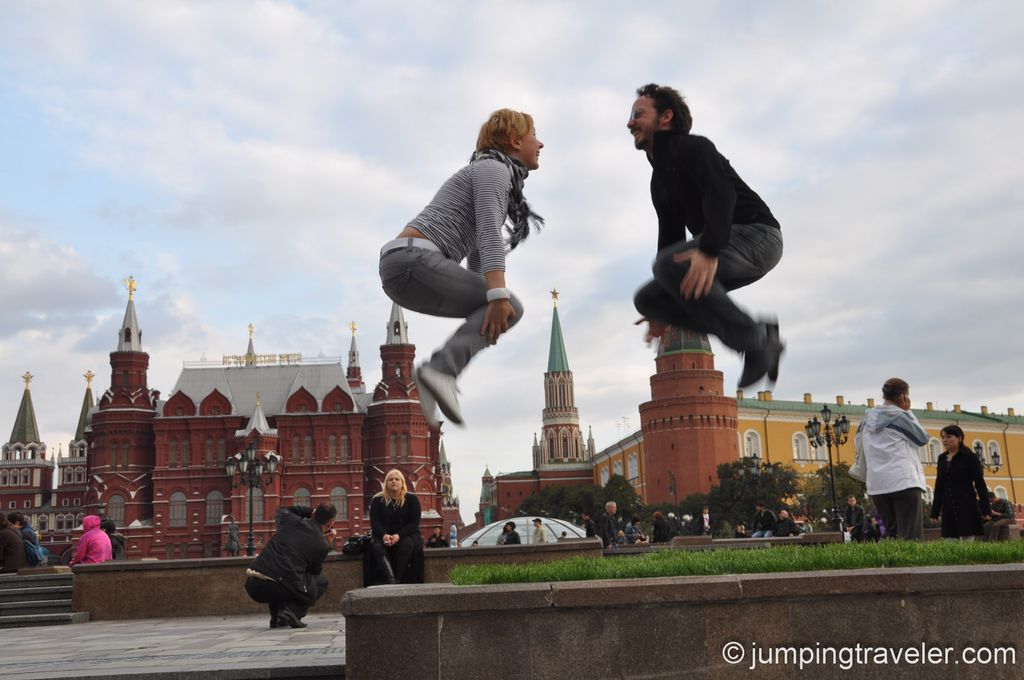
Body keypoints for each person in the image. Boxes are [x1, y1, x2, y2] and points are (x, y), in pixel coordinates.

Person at [379, 109, 544, 429]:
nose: (541, 143)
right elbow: (488, 232)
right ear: (515, 141)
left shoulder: (487, 171)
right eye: (534, 134)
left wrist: (489, 316)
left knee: (503, 308)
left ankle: (436, 376)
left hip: (403, 272)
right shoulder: (494, 169)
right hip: (412, 261)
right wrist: (497, 298)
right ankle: (441, 370)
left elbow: (480, 254)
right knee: (511, 305)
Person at [628, 83, 784, 388]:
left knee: (665, 268)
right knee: (648, 298)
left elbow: (721, 194)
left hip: (758, 237)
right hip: (723, 246)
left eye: (638, 114)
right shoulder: (659, 181)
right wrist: (662, 311)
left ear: (665, 117)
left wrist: (709, 248)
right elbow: (670, 243)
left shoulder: (693, 148)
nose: (630, 122)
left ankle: (754, 343)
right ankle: (761, 335)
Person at [855, 378, 930, 540]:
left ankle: (888, 564)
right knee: (911, 535)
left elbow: (858, 444)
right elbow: (922, 438)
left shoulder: (866, 420)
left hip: (878, 485)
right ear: (902, 396)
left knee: (890, 533)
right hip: (904, 482)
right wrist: (908, 412)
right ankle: (912, 565)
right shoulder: (899, 417)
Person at [244, 503, 337, 629]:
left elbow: (282, 510)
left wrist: (309, 511)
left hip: (252, 585)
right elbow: (314, 572)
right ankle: (292, 612)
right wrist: (326, 544)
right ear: (331, 522)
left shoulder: (290, 521)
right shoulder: (321, 544)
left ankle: (277, 618)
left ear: (314, 513)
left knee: (280, 572)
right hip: (277, 587)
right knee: (320, 582)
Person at [930, 425, 990, 541]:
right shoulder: (942, 458)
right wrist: (935, 512)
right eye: (943, 437)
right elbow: (939, 486)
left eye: (949, 436)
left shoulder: (970, 457)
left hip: (966, 504)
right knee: (949, 542)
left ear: (960, 438)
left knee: (967, 541)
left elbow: (980, 484)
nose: (945, 440)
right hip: (948, 506)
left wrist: (985, 509)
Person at [366, 469, 424, 585]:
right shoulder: (378, 500)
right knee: (377, 548)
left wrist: (398, 535)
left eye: (397, 479)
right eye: (390, 479)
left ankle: (399, 577)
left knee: (406, 545)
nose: (394, 482)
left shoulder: (412, 499)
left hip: (406, 534)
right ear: (386, 483)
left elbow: (413, 523)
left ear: (402, 483)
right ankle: (391, 579)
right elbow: (375, 522)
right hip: (383, 535)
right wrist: (384, 535)